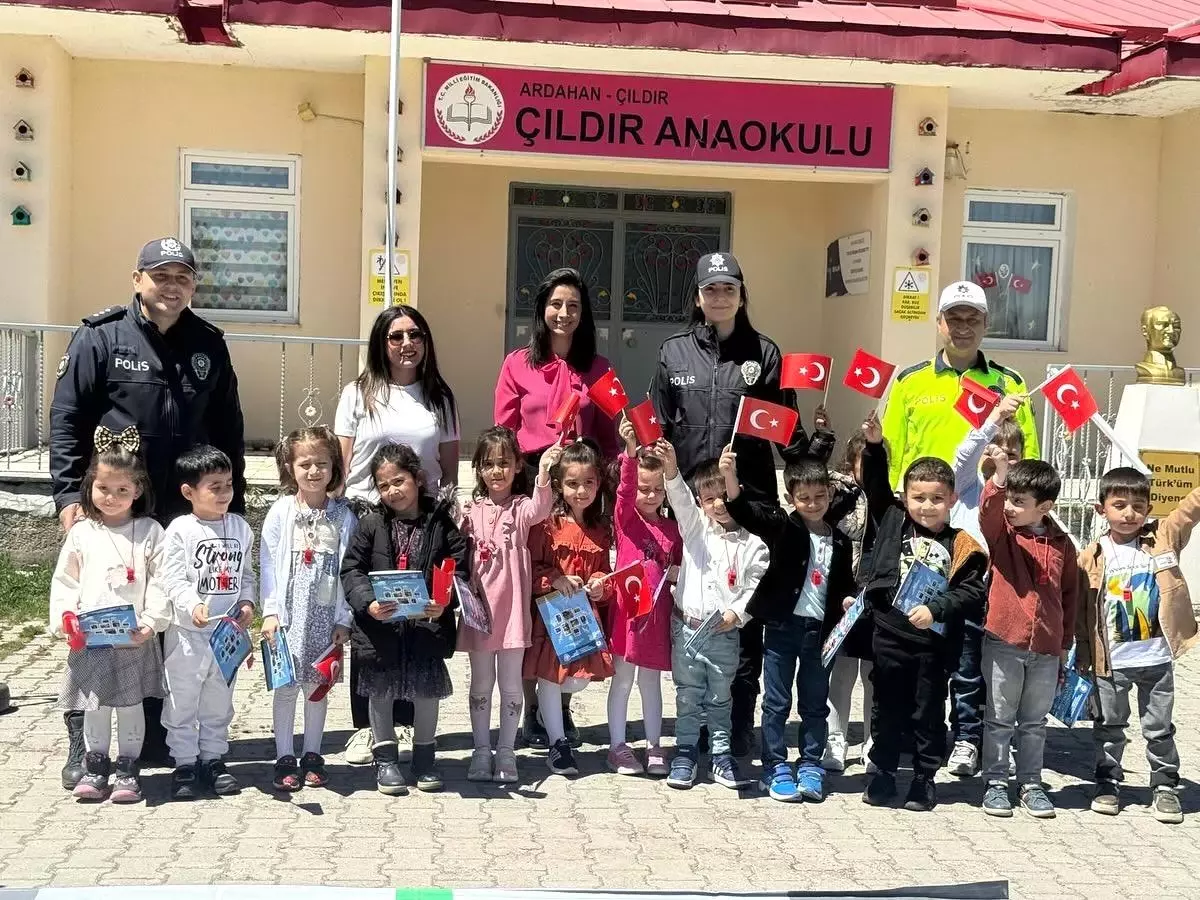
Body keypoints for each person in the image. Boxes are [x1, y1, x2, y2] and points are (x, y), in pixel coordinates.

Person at [50, 236, 246, 783]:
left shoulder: (209, 344)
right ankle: (81, 743)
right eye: (160, 275)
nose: (172, 286)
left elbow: (229, 428)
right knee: (95, 620)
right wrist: (69, 499)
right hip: (114, 509)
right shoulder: (100, 337)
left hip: (182, 513)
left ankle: (155, 734)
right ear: (137, 280)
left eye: (183, 277)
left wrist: (234, 504)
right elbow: (67, 419)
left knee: (166, 618)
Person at [651, 251, 830, 757]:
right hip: (691, 509)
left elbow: (786, 437)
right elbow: (658, 429)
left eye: (729, 288)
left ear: (742, 295)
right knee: (694, 609)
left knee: (742, 615)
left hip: (747, 508)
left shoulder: (765, 354)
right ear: (698, 297)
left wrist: (818, 445)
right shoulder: (673, 352)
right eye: (711, 289)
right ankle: (697, 722)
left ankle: (737, 722)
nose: (720, 297)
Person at [881, 280, 1038, 780]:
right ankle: (912, 732)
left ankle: (967, 735)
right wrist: (908, 512)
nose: (963, 326)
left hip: (982, 529)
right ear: (939, 323)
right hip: (922, 524)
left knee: (970, 635)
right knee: (918, 630)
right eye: (954, 317)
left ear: (986, 324)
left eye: (973, 317)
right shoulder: (910, 381)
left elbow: (1026, 457)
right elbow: (892, 456)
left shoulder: (1011, 383)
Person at [494, 268, 619, 748]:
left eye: (573, 306)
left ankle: (560, 706)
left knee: (571, 599)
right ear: (541, 310)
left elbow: (609, 441)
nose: (563, 314)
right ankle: (531, 708)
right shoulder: (517, 365)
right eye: (555, 305)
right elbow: (503, 434)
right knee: (532, 599)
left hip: (578, 493)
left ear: (583, 314)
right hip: (531, 491)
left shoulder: (599, 368)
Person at [334, 304, 459, 766]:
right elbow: (345, 464)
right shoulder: (359, 393)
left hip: (421, 522)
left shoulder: (439, 396)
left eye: (415, 334)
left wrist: (447, 511)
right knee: (373, 619)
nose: (406, 344)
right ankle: (366, 728)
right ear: (380, 343)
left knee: (413, 616)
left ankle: (407, 726)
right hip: (369, 517)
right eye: (395, 336)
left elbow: (447, 465)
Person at [859, 410, 988, 812]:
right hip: (888, 634)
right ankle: (882, 773)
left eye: (936, 498)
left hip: (932, 645)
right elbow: (876, 487)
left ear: (952, 499)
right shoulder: (894, 519)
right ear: (905, 497)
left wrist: (935, 610)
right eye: (919, 497)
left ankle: (923, 778)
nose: (927, 506)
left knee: (927, 712)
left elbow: (971, 593)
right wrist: (876, 446)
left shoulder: (962, 543)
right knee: (886, 707)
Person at [725, 450, 855, 803]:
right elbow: (747, 514)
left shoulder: (840, 541)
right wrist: (730, 479)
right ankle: (775, 766)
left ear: (829, 494)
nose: (812, 504)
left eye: (819, 497)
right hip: (783, 629)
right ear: (790, 498)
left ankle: (811, 763)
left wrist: (846, 600)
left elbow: (844, 584)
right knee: (777, 701)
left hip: (821, 635)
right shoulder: (785, 526)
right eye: (804, 498)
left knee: (815, 702)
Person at [49, 427, 170, 804]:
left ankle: (128, 768)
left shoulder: (149, 531)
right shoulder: (83, 532)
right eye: (104, 488)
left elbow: (161, 582)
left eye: (122, 490)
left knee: (132, 705)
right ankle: (95, 766)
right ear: (90, 487)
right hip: (91, 638)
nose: (112, 497)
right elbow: (66, 579)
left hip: (133, 639)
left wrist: (151, 622)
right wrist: (66, 618)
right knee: (94, 704)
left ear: (138, 489)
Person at [340, 443, 470, 796]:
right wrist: (367, 604)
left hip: (427, 625)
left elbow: (461, 570)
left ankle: (425, 759)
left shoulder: (440, 523)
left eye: (399, 481)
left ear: (417, 478)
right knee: (379, 691)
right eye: (383, 486)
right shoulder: (370, 524)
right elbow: (352, 569)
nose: (393, 491)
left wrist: (444, 603)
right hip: (381, 626)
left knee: (426, 692)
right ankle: (385, 761)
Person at [1076, 468, 1200, 825]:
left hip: (1156, 660)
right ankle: (1108, 782)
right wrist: (1084, 653)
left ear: (1148, 509)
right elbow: (1083, 615)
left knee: (1159, 727)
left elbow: (1188, 510)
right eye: (1119, 505)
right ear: (1102, 510)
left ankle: (1164, 786)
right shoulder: (1092, 557)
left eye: (1138, 506)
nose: (1129, 514)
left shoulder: (1162, 539)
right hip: (1111, 662)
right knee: (1109, 727)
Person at [654, 442, 768, 791]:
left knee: (721, 698)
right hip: (687, 630)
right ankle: (686, 752)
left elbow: (754, 584)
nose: (718, 505)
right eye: (709, 499)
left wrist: (737, 612)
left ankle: (720, 755)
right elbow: (680, 501)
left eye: (723, 496)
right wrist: (671, 469)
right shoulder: (695, 530)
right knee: (688, 696)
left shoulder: (753, 543)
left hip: (724, 634)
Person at [976, 450, 1076, 819]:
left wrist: (1064, 644)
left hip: (1047, 649)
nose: (1011, 508)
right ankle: (996, 782)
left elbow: (1070, 595)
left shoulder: (1063, 544)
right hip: (1005, 641)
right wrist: (1000, 475)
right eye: (1010, 500)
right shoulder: (1003, 536)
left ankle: (1031, 783)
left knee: (1034, 721)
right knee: (1000, 717)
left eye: (1020, 502)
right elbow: (988, 512)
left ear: (1045, 507)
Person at [458, 428, 561, 784]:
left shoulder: (521, 509)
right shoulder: (470, 512)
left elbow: (541, 506)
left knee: (512, 684)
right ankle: (481, 750)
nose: (496, 471)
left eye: (504, 463)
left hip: (513, 613)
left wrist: (545, 471)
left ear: (518, 466)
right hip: (480, 615)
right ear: (478, 469)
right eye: (488, 464)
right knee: (481, 683)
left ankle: (506, 750)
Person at [259, 427, 356, 792]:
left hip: (325, 618)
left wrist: (344, 619)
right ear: (290, 467)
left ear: (334, 468)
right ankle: (284, 755)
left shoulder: (344, 517)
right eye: (305, 464)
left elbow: (348, 569)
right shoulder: (282, 512)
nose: (313, 471)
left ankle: (313, 753)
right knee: (285, 688)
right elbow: (268, 565)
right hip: (288, 616)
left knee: (318, 687)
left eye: (322, 464)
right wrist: (271, 612)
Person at [160, 446, 257, 801]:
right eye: (214, 486)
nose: (224, 493)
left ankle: (213, 759)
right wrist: (191, 605)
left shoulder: (240, 527)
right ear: (189, 492)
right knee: (183, 700)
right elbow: (173, 579)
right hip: (187, 636)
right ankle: (185, 763)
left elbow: (246, 574)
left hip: (225, 636)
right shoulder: (180, 530)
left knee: (219, 700)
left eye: (228, 484)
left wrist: (247, 603)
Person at [945, 392, 1026, 778]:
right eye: (997, 448)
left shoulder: (1024, 500)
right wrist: (993, 420)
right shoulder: (967, 486)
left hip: (1008, 596)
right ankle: (964, 738)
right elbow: (964, 454)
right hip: (966, 592)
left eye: (1012, 451)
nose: (1003, 455)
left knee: (1000, 676)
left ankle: (997, 742)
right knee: (964, 670)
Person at [524, 439, 615, 776]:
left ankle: (550, 718)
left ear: (598, 484)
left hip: (582, 620)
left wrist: (600, 584)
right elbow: (531, 568)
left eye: (588, 483)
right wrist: (556, 580)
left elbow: (606, 572)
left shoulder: (601, 528)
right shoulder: (548, 525)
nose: (581, 491)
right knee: (550, 676)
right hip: (549, 617)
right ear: (560, 485)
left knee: (575, 681)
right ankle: (557, 744)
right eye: (573, 483)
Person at [606, 416, 682, 777]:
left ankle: (654, 745)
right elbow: (623, 492)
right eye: (643, 489)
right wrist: (630, 454)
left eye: (657, 490)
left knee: (651, 682)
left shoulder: (672, 530)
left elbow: (679, 568)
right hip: (627, 616)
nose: (650, 496)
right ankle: (617, 747)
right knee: (622, 681)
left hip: (656, 619)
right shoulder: (626, 521)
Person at [823, 432, 876, 773]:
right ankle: (835, 737)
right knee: (841, 673)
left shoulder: (888, 499)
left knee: (874, 675)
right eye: (862, 462)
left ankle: (873, 740)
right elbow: (819, 481)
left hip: (875, 598)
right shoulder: (838, 494)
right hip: (841, 595)